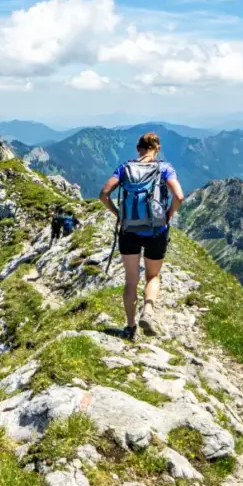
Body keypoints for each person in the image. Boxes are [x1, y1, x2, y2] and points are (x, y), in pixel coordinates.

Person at [98, 132, 184, 340]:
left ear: (138, 148)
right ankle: (148, 311)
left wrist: (119, 215)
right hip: (156, 230)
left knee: (131, 280)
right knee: (153, 276)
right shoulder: (164, 168)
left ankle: (129, 327)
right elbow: (179, 196)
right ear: (157, 149)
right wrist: (169, 213)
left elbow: (103, 194)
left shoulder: (125, 168)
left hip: (129, 230)